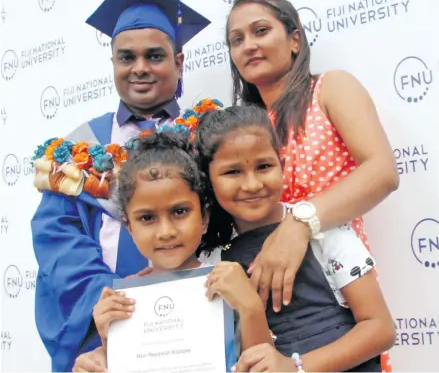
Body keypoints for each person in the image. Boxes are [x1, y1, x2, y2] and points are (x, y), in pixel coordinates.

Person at [73, 105, 395, 372]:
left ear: (282, 165)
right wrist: (113, 347)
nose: (252, 184)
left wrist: (295, 368)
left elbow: (380, 329)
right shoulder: (211, 264)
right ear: (209, 182)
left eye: (264, 166)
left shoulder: (323, 229)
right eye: (232, 172)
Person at [30, 0, 211, 371]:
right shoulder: (81, 147)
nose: (140, 68)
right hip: (106, 324)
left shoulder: (207, 135)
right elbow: (57, 238)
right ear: (113, 62)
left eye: (156, 55)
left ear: (179, 62)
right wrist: (113, 297)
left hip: (200, 318)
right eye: (127, 57)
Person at [224, 0, 399, 371]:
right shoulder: (245, 128)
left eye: (260, 30)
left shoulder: (330, 89)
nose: (249, 45)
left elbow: (382, 171)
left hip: (339, 288)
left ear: (294, 39)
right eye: (237, 39)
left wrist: (299, 223)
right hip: (267, 298)